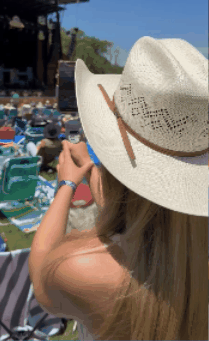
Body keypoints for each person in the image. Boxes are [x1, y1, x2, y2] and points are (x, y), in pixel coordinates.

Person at [28, 37, 208, 341]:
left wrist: (66, 184)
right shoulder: (191, 255)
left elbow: (42, 279)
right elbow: (143, 216)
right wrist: (92, 174)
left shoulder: (85, 268)